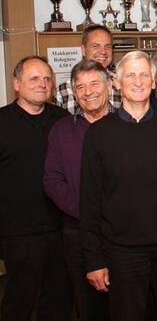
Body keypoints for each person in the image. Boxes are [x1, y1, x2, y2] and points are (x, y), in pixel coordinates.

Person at [80, 51, 157, 320]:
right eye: (131, 75)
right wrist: (94, 259)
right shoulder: (98, 134)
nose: (138, 81)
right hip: (121, 251)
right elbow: (89, 202)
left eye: (144, 75)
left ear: (153, 82)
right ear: (117, 83)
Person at [0, 56, 71, 320]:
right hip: (18, 233)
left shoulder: (63, 120)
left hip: (61, 228)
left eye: (46, 79)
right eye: (34, 79)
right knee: (20, 299)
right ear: (16, 84)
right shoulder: (2, 122)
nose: (42, 84)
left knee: (59, 299)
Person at [44, 59, 114, 320]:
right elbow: (52, 179)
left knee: (129, 306)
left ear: (108, 86)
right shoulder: (62, 130)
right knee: (89, 307)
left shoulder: (127, 126)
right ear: (74, 92)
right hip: (78, 233)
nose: (88, 92)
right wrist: (86, 210)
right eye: (80, 87)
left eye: (94, 83)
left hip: (124, 235)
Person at [55, 25, 121, 113]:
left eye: (108, 46)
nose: (103, 51)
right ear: (83, 50)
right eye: (95, 46)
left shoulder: (122, 84)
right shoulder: (63, 91)